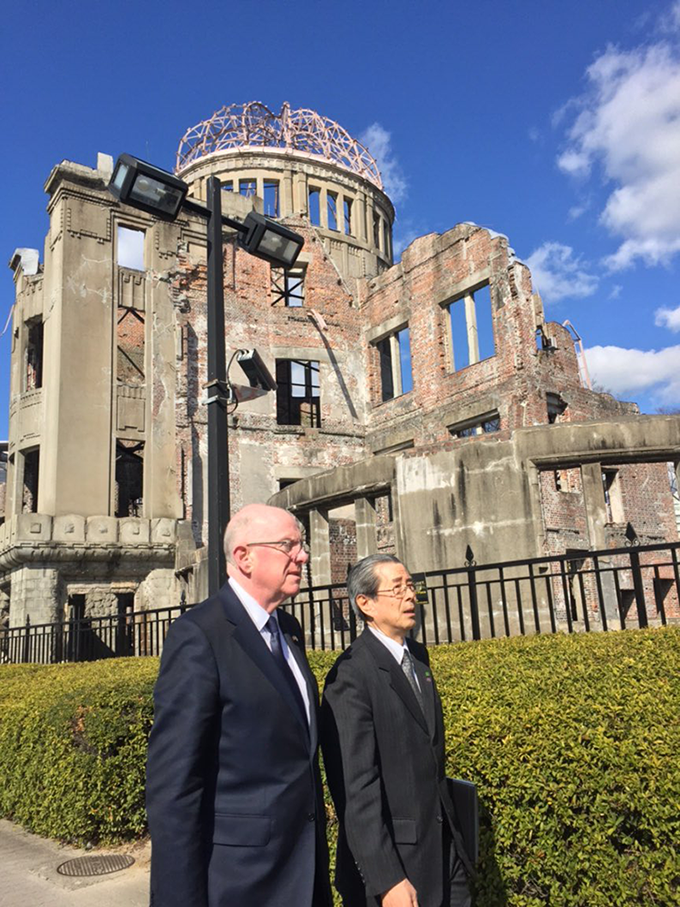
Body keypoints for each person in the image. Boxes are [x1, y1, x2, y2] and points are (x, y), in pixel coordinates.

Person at [146, 503, 331, 907]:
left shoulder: (288, 630)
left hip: (303, 872)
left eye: (302, 546)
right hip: (240, 882)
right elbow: (174, 786)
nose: (303, 556)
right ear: (244, 556)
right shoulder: (199, 636)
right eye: (289, 545)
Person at [321, 554, 473, 907]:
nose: (410, 596)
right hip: (393, 866)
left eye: (410, 586)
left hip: (445, 853)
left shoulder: (418, 658)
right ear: (365, 603)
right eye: (397, 588)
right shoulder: (351, 675)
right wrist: (386, 878)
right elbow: (355, 786)